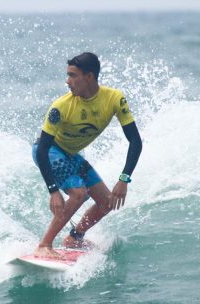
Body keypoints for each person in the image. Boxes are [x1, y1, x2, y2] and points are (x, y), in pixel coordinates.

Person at [32, 52, 143, 258]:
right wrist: (53, 191)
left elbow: (135, 141)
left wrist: (124, 179)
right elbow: (42, 150)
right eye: (68, 75)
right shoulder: (61, 106)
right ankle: (44, 245)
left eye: (73, 75)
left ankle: (75, 237)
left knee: (106, 201)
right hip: (51, 151)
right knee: (79, 193)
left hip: (71, 155)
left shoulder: (114, 99)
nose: (68, 81)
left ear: (89, 77)